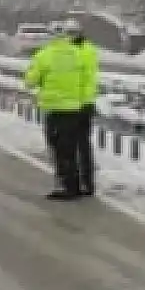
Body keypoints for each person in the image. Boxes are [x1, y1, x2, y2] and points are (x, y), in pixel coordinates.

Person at [24, 25, 95, 200]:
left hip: (55, 108)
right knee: (71, 148)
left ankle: (67, 186)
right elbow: (87, 78)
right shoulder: (78, 54)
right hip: (75, 107)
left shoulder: (44, 55)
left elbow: (30, 81)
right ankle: (76, 184)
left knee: (59, 149)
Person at [68, 18, 101, 198]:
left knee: (71, 145)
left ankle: (75, 182)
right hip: (86, 103)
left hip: (73, 103)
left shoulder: (71, 53)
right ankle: (88, 183)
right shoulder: (90, 50)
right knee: (84, 145)